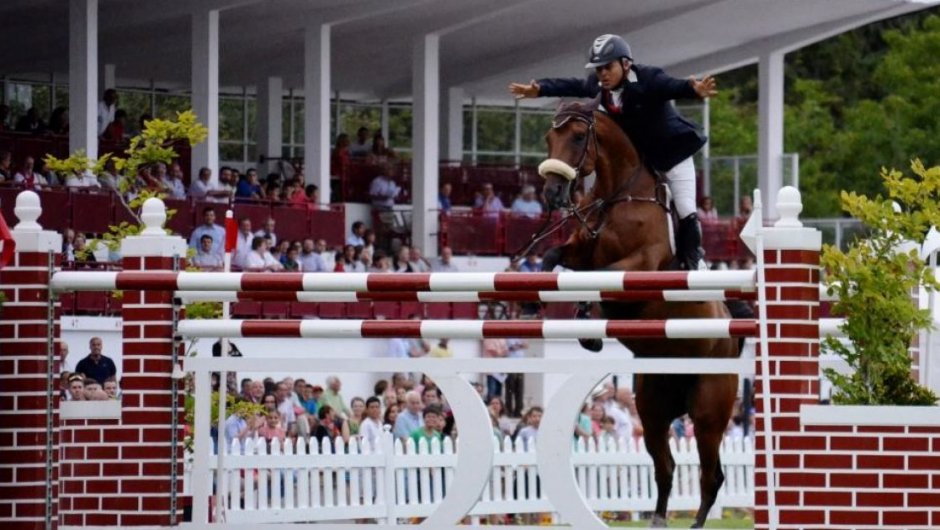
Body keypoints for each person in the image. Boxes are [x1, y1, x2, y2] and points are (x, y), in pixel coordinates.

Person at [509, 34, 717, 270]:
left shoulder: (649, 78)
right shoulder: (599, 84)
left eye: (608, 67)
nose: (603, 74)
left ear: (626, 64)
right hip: (639, 158)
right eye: (598, 69)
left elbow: (672, 86)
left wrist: (694, 89)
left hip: (672, 155)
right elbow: (572, 85)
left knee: (686, 207)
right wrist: (540, 89)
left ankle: (693, 263)